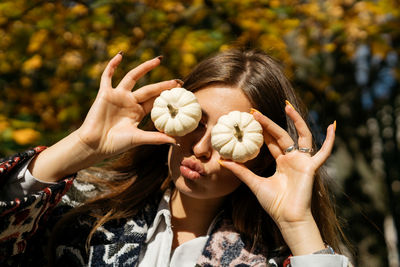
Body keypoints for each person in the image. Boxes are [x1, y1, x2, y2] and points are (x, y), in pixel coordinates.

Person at [0, 49, 351, 266]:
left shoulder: (276, 259)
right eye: (195, 124)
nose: (200, 148)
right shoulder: (80, 221)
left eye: (232, 137)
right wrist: (82, 145)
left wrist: (297, 224)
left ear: (262, 157)